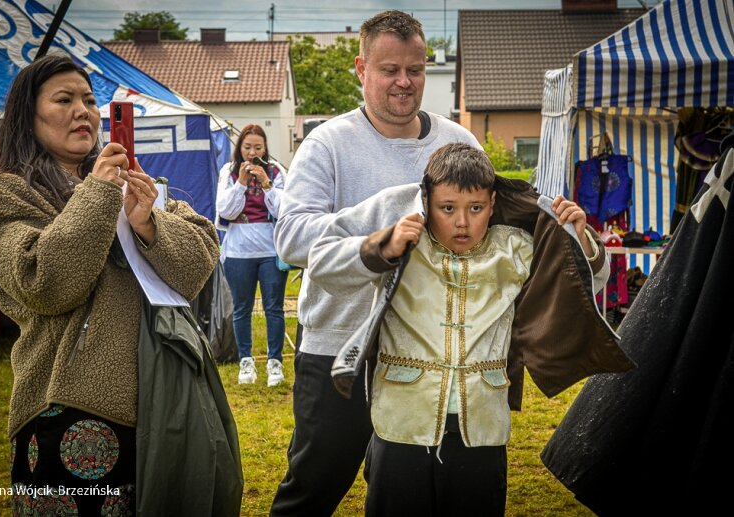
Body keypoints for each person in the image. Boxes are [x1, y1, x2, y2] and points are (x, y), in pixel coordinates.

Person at [307, 143, 627, 515]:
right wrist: (383, 246)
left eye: (475, 209)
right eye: (447, 209)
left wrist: (580, 239)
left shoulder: (516, 248)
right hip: (400, 426)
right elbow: (322, 266)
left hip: (482, 429)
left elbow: (586, 282)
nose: (462, 222)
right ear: (426, 202)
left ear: (492, 203)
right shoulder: (402, 237)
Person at [0, 54, 220, 514]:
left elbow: (197, 266)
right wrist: (99, 195)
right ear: (30, 115)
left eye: (89, 99)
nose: (83, 110)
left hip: (160, 401)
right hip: (68, 408)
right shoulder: (8, 195)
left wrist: (148, 226)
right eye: (64, 99)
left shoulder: (133, 183)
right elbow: (46, 284)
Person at [271, 10, 480, 515]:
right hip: (339, 349)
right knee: (313, 487)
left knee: (402, 494)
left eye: (416, 69)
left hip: (429, 355)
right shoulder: (328, 143)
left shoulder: (460, 143)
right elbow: (292, 237)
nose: (404, 82)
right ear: (361, 70)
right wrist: (381, 229)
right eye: (389, 70)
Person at [216, 124, 287, 387]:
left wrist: (267, 184)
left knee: (274, 308)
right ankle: (246, 361)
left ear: (265, 148)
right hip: (238, 250)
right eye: (247, 148)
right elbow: (225, 210)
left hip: (270, 248)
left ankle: (274, 363)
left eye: (258, 148)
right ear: (239, 148)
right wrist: (242, 183)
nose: (252, 153)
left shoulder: (276, 172)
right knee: (241, 309)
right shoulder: (229, 171)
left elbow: (283, 211)